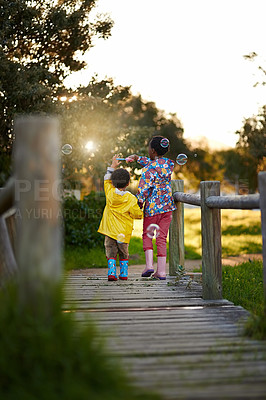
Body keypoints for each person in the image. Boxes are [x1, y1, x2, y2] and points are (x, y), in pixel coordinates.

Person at [127, 136, 176, 280]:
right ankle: (161, 272)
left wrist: (140, 201)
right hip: (167, 207)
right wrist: (137, 158)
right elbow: (154, 163)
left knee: (147, 235)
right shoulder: (168, 164)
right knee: (162, 238)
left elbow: (143, 188)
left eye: (149, 148)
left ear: (153, 150)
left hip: (152, 209)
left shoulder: (148, 170)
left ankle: (149, 266)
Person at [98, 155, 143, 281]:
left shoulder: (110, 193)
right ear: (128, 183)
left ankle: (111, 273)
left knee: (110, 251)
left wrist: (113, 166)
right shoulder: (130, 198)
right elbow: (137, 215)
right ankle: (123, 274)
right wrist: (140, 207)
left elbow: (106, 180)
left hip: (110, 231)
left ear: (112, 183)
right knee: (124, 252)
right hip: (123, 232)